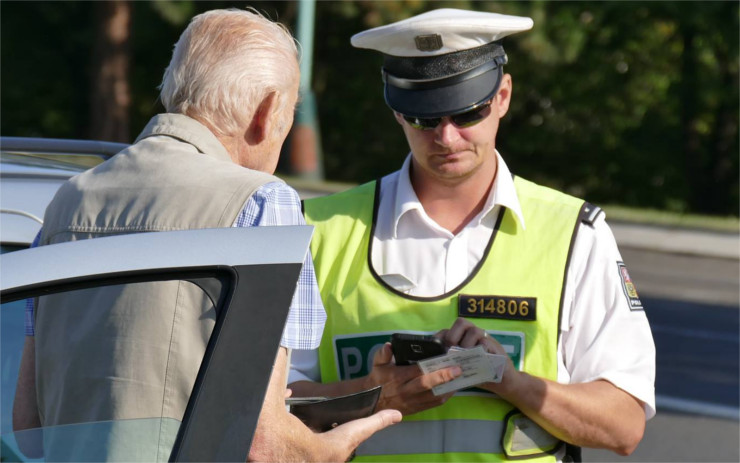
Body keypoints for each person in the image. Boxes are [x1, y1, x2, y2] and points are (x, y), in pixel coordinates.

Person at [12, 8, 400, 462]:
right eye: (291, 111)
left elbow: (28, 429)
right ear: (268, 110)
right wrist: (329, 449)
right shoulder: (263, 201)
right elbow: (264, 442)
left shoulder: (68, 201)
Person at [289, 8, 656, 462]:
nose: (446, 136)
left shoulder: (575, 235)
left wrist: (506, 379)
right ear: (396, 111)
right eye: (424, 117)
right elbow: (264, 410)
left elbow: (623, 426)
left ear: (502, 96)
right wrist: (373, 395)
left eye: (467, 112)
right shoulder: (317, 232)